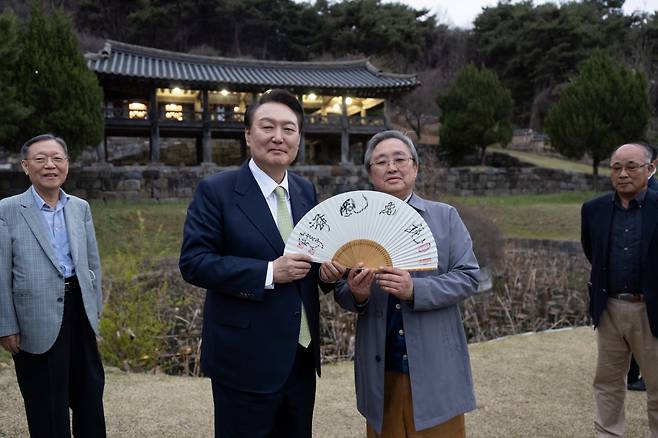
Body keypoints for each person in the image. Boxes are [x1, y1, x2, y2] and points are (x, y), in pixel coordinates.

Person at [179, 89, 343, 438]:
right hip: (244, 361)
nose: (278, 137)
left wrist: (328, 274)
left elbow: (308, 261)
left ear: (299, 137)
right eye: (267, 126)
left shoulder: (305, 191)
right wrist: (269, 272)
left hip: (299, 358)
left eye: (289, 129)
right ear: (248, 134)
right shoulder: (216, 191)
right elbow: (194, 262)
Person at [334, 130, 480, 437]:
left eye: (400, 159)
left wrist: (415, 290)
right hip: (380, 365)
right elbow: (342, 291)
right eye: (381, 162)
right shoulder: (355, 226)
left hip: (434, 365)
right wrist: (357, 295)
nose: (392, 167)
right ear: (370, 173)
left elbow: (468, 277)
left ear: (415, 167)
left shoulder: (445, 217)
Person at [0, 134, 105, 437]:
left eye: (57, 158)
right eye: (41, 159)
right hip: (34, 315)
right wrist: (6, 324)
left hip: (79, 311)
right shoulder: (7, 209)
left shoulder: (79, 207)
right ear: (25, 166)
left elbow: (92, 263)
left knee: (89, 393)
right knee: (46, 400)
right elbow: (1, 272)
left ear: (67, 164)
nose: (50, 165)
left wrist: (94, 310)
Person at [581, 142, 658, 436]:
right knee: (608, 383)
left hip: (651, 309)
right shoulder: (593, 209)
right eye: (616, 168)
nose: (623, 174)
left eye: (631, 167)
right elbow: (593, 252)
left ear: (650, 169)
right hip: (610, 308)